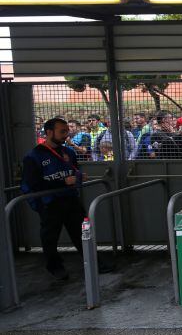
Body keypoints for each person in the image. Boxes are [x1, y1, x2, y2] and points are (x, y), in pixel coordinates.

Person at [20, 118, 113, 280]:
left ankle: (95, 263)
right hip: (49, 203)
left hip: (70, 200)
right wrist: (62, 181)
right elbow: (34, 184)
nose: (66, 135)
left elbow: (73, 171)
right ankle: (56, 268)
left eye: (66, 131)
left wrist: (78, 177)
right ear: (49, 132)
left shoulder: (68, 152)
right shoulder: (34, 156)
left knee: (83, 233)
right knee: (50, 237)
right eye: (62, 131)